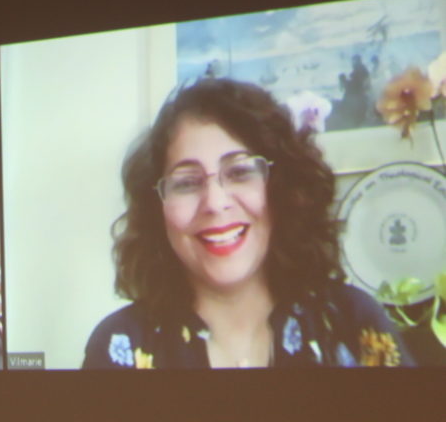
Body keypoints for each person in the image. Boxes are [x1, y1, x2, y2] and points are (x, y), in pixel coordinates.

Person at [83, 78, 413, 369]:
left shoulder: (352, 322)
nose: (215, 203)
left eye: (239, 172)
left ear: (283, 189)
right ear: (157, 207)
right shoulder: (119, 346)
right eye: (186, 183)